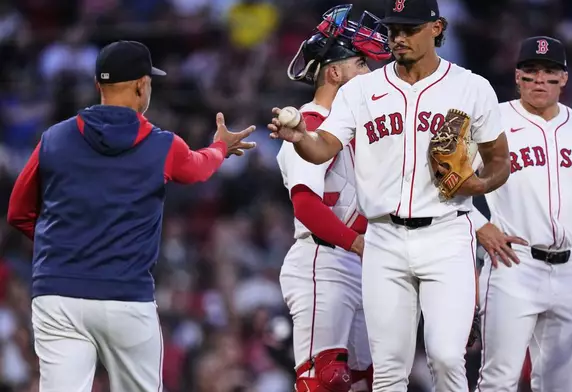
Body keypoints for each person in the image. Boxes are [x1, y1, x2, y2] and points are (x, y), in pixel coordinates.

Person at [268, 0, 511, 390]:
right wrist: (299, 139)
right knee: (387, 371)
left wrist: (480, 185)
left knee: (448, 356)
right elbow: (322, 148)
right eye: (394, 29)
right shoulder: (362, 91)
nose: (398, 37)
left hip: (446, 233)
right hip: (382, 239)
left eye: (409, 28)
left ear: (437, 28)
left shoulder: (471, 86)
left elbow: (499, 160)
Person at [6, 40, 256, 392]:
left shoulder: (54, 138)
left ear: (98, 86)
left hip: (57, 293)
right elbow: (199, 170)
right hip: (126, 297)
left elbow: (18, 211)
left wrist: (66, 245)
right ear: (142, 85)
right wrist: (220, 147)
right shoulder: (162, 145)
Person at [470, 36, 572, 392]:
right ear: (517, 75)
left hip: (569, 269)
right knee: (498, 380)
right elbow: (450, 180)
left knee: (559, 383)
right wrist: (479, 225)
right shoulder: (494, 121)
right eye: (531, 71)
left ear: (564, 78)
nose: (540, 80)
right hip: (512, 264)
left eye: (549, 72)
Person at [276, 5, 388, 391]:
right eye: (361, 63)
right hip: (323, 258)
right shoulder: (307, 125)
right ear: (334, 72)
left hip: (361, 263)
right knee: (326, 379)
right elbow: (306, 204)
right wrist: (358, 243)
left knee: (365, 381)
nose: (369, 73)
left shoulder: (358, 130)